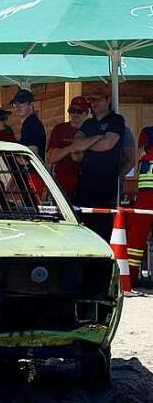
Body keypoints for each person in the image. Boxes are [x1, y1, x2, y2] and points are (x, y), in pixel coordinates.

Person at [62, 87, 126, 241]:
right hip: (85, 182)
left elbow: (107, 144)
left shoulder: (116, 120)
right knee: (84, 225)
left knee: (103, 227)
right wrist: (97, 137)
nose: (94, 103)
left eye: (98, 99)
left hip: (106, 183)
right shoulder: (88, 123)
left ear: (107, 99)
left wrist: (85, 145)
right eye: (91, 100)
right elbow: (76, 143)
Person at [46, 96, 89, 202]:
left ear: (87, 112)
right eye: (72, 110)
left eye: (79, 111)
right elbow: (50, 158)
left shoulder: (92, 130)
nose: (75, 114)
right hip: (63, 184)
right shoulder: (60, 129)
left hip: (88, 184)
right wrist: (71, 148)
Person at [127, 124, 153, 283]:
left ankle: (129, 277)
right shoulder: (147, 132)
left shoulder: (147, 132)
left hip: (145, 201)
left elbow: (140, 154)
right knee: (136, 238)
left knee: (135, 238)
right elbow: (140, 154)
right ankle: (130, 277)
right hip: (145, 199)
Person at [10, 89, 46, 161]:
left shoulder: (30, 124)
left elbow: (30, 155)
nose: (18, 107)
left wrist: (12, 155)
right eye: (15, 104)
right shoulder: (30, 122)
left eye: (22, 103)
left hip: (33, 170)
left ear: (31, 104)